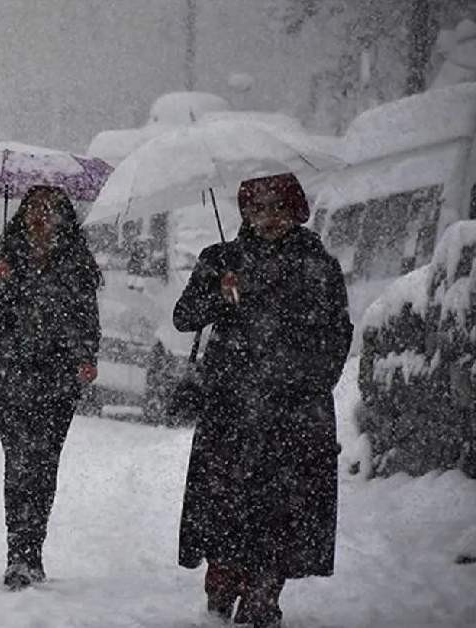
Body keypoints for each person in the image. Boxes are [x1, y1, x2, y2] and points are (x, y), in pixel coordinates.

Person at [173, 173, 352, 628]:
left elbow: (337, 334)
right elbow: (184, 317)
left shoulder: (318, 265)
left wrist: (311, 383)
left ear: (295, 211)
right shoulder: (221, 259)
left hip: (294, 412)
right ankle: (222, 585)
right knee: (226, 506)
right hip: (230, 409)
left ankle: (263, 597)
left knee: (282, 511)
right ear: (245, 213)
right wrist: (220, 293)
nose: (268, 218)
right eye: (258, 208)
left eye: (278, 208)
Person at [0, 185, 101, 590]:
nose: (42, 217)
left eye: (52, 210)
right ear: (22, 214)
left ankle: (33, 550)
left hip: (58, 379)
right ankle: (17, 555)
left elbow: (87, 319)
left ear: (64, 218)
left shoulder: (76, 264)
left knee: (44, 464)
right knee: (20, 460)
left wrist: (87, 357)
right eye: (35, 209)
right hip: (9, 376)